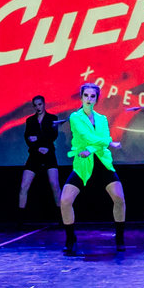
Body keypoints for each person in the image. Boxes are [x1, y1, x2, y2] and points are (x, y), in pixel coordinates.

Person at [58, 81, 127, 255]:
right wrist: (109, 142)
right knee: (65, 201)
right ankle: (70, 238)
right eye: (86, 95)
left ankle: (119, 237)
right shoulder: (75, 117)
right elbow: (88, 136)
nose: (89, 99)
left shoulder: (102, 119)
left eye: (92, 96)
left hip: (103, 163)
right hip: (83, 165)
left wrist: (91, 148)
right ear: (81, 97)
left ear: (96, 99)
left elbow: (101, 137)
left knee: (119, 198)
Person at [17, 95, 62, 226]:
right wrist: (37, 146)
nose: (38, 107)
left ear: (44, 104)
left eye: (40, 104)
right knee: (24, 185)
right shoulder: (30, 120)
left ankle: (61, 216)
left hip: (49, 153)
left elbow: (53, 135)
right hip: (35, 154)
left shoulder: (52, 118)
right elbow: (28, 138)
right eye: (35, 105)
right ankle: (20, 218)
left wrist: (39, 139)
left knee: (55, 185)